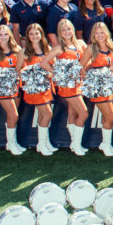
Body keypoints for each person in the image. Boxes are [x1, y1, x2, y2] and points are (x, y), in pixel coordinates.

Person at [41, 18, 89, 156]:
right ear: (60, 33)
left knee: (73, 113)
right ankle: (76, 144)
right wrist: (59, 74)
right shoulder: (59, 48)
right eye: (63, 30)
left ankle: (74, 143)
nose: (67, 32)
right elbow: (44, 63)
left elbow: (87, 60)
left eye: (69, 29)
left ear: (73, 29)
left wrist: (84, 73)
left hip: (78, 83)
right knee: (84, 113)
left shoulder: (80, 43)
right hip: (68, 86)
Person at [81, 22, 113, 156]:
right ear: (93, 35)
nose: (100, 35)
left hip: (112, 86)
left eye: (102, 32)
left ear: (107, 33)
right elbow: (81, 67)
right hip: (99, 88)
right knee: (110, 116)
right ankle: (107, 145)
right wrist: (91, 80)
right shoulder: (91, 48)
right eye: (96, 33)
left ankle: (104, 143)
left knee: (107, 116)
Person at [0, 24, 25, 155]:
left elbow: (21, 67)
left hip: (15, 86)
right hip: (2, 88)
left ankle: (11, 143)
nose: (3, 37)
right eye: (0, 35)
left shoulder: (17, 49)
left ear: (10, 36)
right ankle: (11, 143)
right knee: (14, 115)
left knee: (12, 116)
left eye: (6, 34)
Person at [19, 23, 56, 156]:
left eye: (37, 33)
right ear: (27, 36)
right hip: (34, 89)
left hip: (46, 88)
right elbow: (19, 70)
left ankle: (44, 143)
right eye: (31, 34)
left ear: (41, 35)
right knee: (47, 114)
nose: (34, 36)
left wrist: (50, 73)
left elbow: (53, 67)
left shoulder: (47, 49)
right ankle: (41, 144)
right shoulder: (24, 51)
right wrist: (30, 75)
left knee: (43, 115)